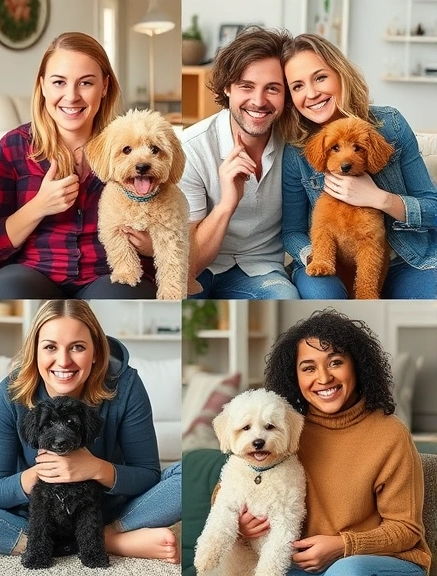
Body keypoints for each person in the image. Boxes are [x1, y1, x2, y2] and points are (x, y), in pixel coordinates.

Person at [0, 300, 181, 563]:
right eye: (50, 347)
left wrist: (95, 468)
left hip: (109, 510)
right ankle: (92, 543)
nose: (63, 361)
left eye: (78, 347)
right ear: (35, 351)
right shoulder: (10, 393)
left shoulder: (126, 385)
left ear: (95, 351)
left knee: (190, 474)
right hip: (37, 517)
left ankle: (103, 536)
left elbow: (148, 475)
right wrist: (41, 473)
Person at [0, 32, 158, 299]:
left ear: (105, 86)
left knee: (126, 293)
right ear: (42, 85)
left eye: (85, 83)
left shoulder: (136, 147)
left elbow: (169, 221)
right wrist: (40, 206)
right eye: (59, 82)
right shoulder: (12, 147)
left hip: (111, 273)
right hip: (29, 272)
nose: (71, 96)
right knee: (8, 290)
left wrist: (151, 246)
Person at [255, 309, 430, 575]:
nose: (324, 378)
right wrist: (242, 522)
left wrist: (343, 545)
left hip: (382, 560)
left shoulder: (390, 434)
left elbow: (407, 530)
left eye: (335, 362)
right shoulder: (284, 430)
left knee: (347, 570)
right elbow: (234, 482)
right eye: (308, 368)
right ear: (295, 377)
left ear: (357, 365)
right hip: (303, 563)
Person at [280, 34, 437, 299]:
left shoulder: (391, 125)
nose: (312, 93)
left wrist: (381, 199)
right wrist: (315, 256)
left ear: (340, 74)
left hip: (407, 259)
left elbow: (433, 208)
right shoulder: (297, 150)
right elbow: (292, 231)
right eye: (297, 86)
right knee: (322, 297)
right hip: (328, 260)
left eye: (320, 77)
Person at [180, 26, 300, 300]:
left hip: (262, 271)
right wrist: (226, 205)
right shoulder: (192, 149)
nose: (258, 101)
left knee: (284, 299)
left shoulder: (297, 144)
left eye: (272, 88)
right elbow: (189, 264)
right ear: (227, 88)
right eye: (246, 86)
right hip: (200, 269)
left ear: (287, 95)